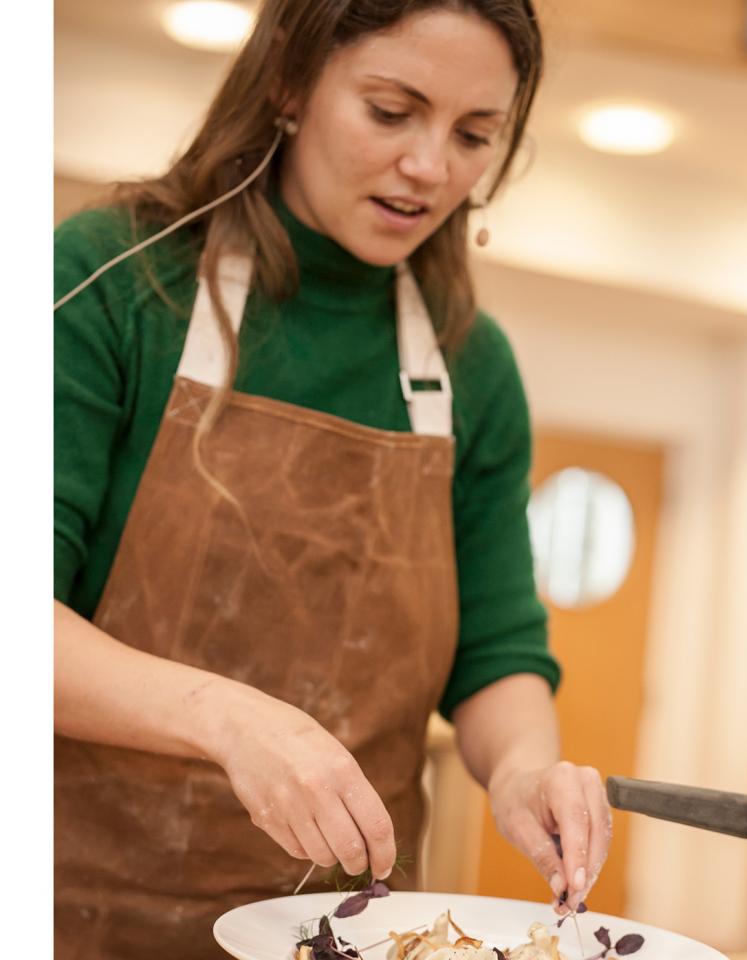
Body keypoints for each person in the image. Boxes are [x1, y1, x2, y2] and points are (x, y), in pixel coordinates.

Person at [54, 1, 611, 957]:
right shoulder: (115, 276)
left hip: (348, 929)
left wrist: (524, 769)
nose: (432, 167)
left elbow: (497, 650)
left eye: (475, 133)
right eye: (392, 111)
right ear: (288, 82)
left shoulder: (471, 367)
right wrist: (228, 720)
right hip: (81, 912)